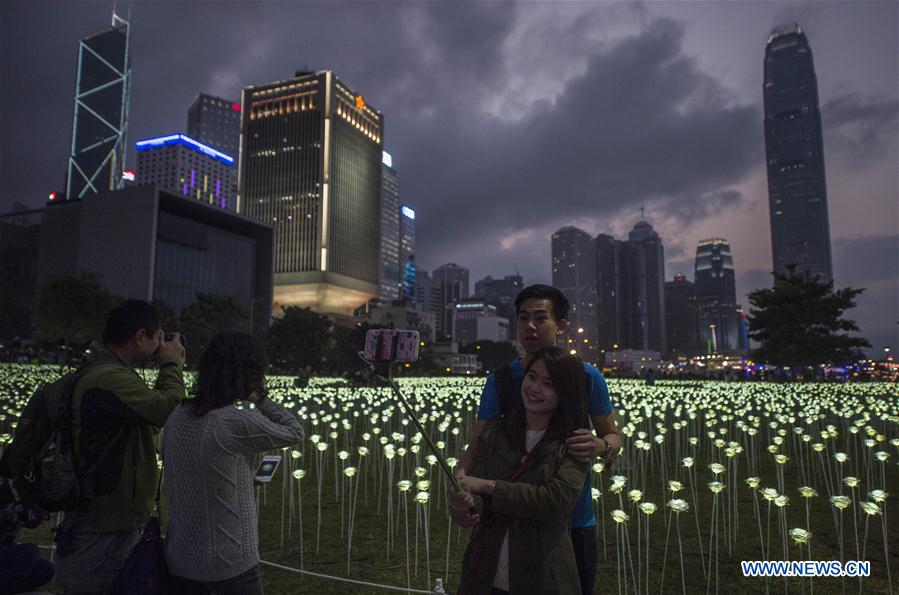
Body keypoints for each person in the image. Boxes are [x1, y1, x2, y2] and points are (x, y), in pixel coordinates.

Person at [456, 284, 621, 595]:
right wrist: (462, 484)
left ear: (560, 325)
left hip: (572, 519)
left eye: (540, 318)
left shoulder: (586, 377)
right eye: (522, 318)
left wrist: (601, 446)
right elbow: (478, 443)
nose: (529, 326)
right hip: (509, 517)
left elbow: (611, 434)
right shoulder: (501, 380)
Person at [54, 299, 186, 594]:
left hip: (108, 516)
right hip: (103, 523)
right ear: (140, 336)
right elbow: (170, 409)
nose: (161, 345)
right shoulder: (109, 377)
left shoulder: (110, 373)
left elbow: (147, 422)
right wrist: (171, 363)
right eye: (158, 337)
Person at [163, 331, 303, 594]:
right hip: (230, 563)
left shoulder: (177, 416)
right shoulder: (233, 422)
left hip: (180, 558)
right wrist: (259, 397)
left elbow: (190, 468)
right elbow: (294, 430)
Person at [450, 347, 590, 594]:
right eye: (532, 377)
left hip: (543, 575)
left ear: (564, 393)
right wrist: (465, 506)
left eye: (549, 383)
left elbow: (553, 501)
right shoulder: (494, 432)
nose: (535, 388)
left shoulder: (575, 444)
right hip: (484, 572)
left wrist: (487, 486)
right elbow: (477, 501)